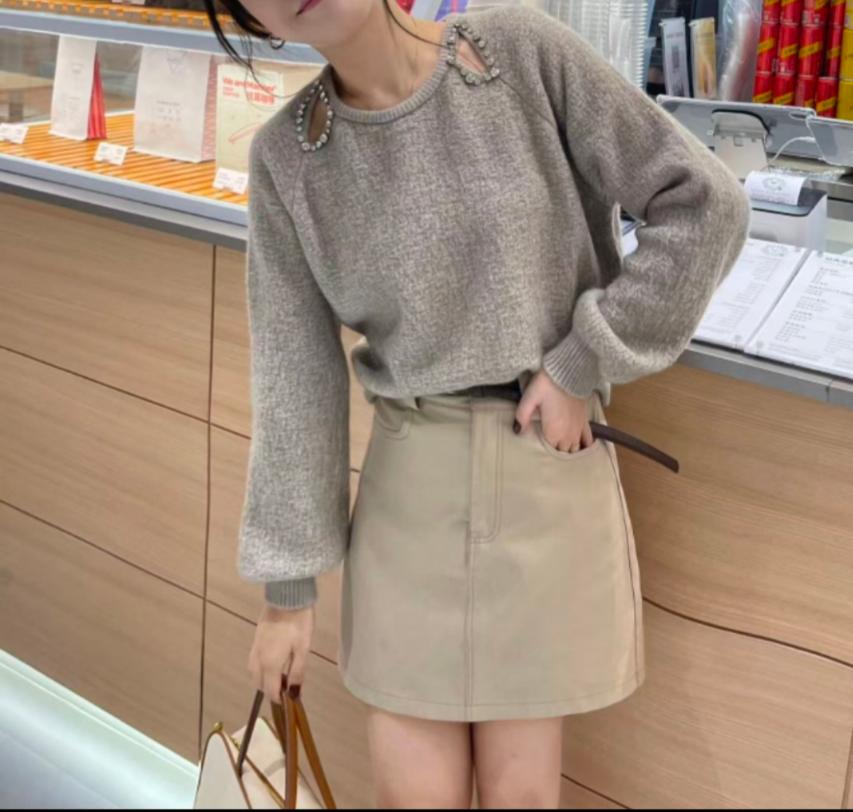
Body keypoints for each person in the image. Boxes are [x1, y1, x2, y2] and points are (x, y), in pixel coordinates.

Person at [200, 0, 752, 807]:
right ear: (250, 17)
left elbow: (705, 203)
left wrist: (580, 362)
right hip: (410, 490)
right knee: (410, 795)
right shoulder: (289, 155)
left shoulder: (520, 53)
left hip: (544, 470)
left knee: (519, 792)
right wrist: (287, 594)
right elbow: (295, 377)